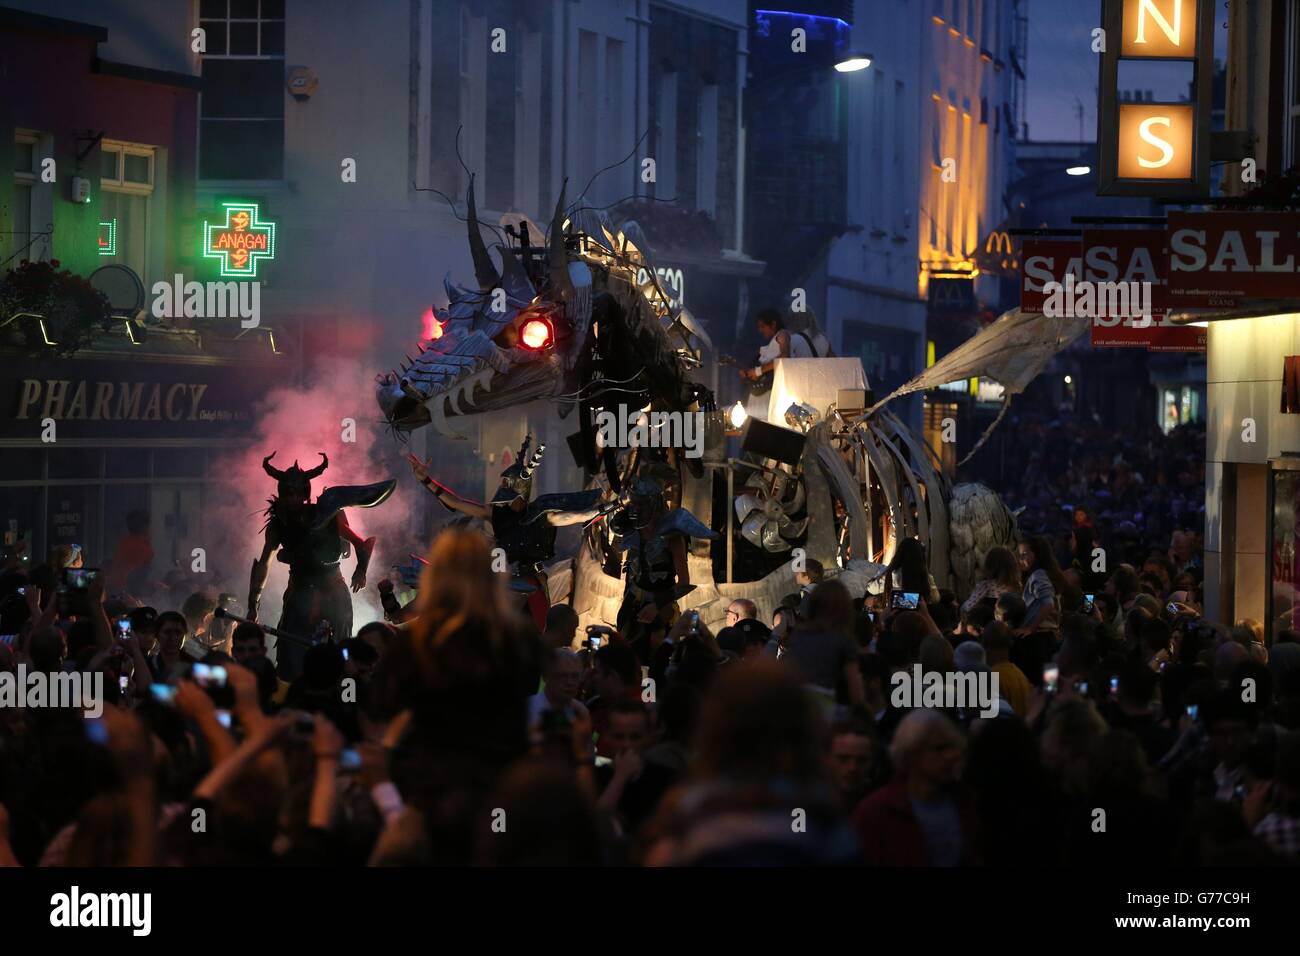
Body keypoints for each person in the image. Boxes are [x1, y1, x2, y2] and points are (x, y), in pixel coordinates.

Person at [248, 452, 396, 679]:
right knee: (290, 656)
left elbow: (365, 544)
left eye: (297, 493)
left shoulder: (326, 514)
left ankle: (345, 695)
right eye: (288, 493)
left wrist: (360, 570)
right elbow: (264, 564)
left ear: (305, 493)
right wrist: (253, 603)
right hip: (299, 590)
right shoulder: (279, 524)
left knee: (342, 653)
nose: (293, 498)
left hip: (333, 589)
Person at [852, 710, 977, 866]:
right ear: (910, 753)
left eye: (952, 748)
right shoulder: (876, 811)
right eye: (939, 749)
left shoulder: (964, 803)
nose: (950, 756)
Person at [780, 580, 865, 712]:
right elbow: (854, 687)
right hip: (829, 710)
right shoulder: (843, 639)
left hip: (800, 708)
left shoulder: (798, 635)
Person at [828, 717, 876, 811]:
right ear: (826, 758)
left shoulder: (878, 810)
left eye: (861, 761)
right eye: (843, 759)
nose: (852, 768)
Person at [960, 546, 1021, 616]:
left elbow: (968, 607)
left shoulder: (986, 586)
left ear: (989, 565)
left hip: (987, 624)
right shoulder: (1017, 586)